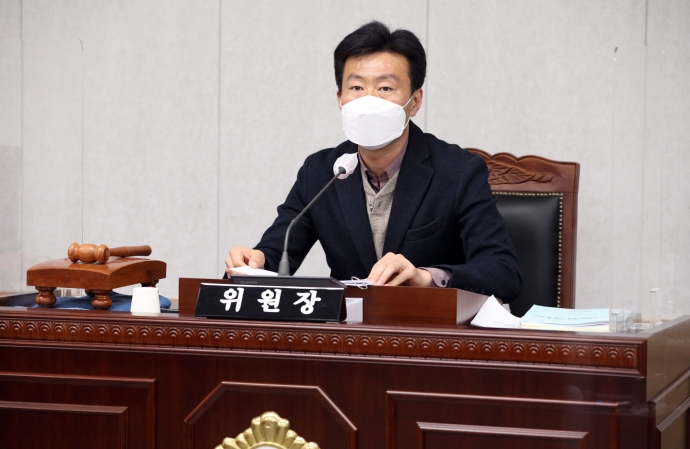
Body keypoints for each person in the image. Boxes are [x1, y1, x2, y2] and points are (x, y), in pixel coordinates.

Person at [225, 21, 523, 302]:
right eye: (356, 88)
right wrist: (254, 263)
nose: (369, 101)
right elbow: (275, 255)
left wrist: (425, 277)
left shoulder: (458, 171)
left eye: (385, 88)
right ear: (339, 99)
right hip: (351, 330)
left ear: (415, 101)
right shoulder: (320, 172)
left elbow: (504, 273)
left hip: (429, 329)